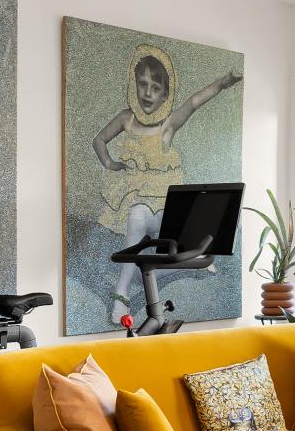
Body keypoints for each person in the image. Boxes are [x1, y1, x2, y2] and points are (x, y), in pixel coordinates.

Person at [92, 45, 243, 321]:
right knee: (137, 216)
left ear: (165, 94)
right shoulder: (127, 119)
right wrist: (110, 163)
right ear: (134, 85)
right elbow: (99, 140)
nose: (148, 93)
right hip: (137, 209)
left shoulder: (168, 125)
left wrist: (222, 83)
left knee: (183, 235)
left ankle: (162, 271)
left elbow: (194, 102)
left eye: (155, 88)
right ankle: (122, 296)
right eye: (143, 84)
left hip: (163, 212)